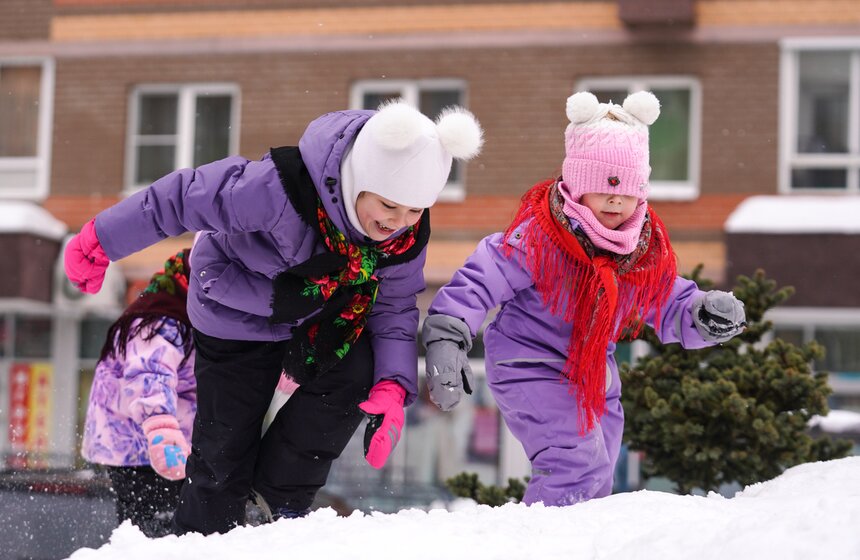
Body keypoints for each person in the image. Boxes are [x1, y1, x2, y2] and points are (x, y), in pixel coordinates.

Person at [64, 100, 483, 535]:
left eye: (414, 211)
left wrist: (394, 388)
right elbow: (180, 198)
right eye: (388, 206)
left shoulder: (404, 239)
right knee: (224, 452)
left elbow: (394, 307)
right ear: (362, 179)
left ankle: (275, 503)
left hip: (313, 318)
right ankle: (203, 537)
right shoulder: (277, 189)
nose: (397, 224)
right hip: (234, 312)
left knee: (360, 368)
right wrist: (101, 240)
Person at [422, 91, 746, 507]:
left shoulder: (638, 252)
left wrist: (701, 314)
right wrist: (448, 335)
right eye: (602, 187)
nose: (615, 199)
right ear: (576, 186)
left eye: (626, 190)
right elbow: (481, 278)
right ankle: (544, 545)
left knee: (599, 478)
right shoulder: (540, 237)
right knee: (575, 464)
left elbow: (665, 299)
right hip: (531, 366)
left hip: (594, 376)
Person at [81, 248, 195, 538]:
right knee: (156, 535)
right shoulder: (162, 319)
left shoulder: (176, 309)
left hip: (157, 448)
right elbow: (149, 375)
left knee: (156, 533)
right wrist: (162, 433)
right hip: (146, 451)